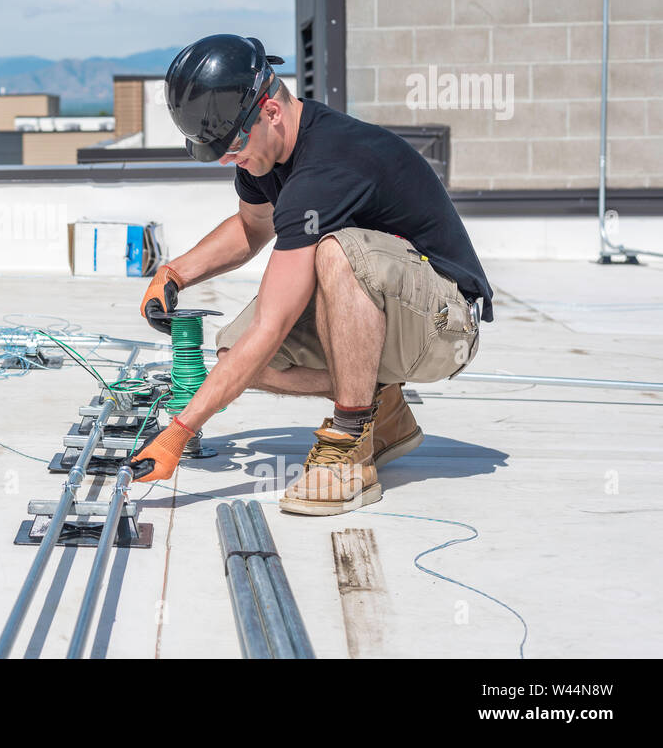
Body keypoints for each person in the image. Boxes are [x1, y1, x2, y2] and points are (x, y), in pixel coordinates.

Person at [129, 34, 493, 515]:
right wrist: (175, 274)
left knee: (335, 254)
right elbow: (251, 226)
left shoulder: (329, 165)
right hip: (397, 313)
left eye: (232, 143)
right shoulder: (264, 156)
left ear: (271, 112)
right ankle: (383, 412)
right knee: (232, 355)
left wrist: (179, 432)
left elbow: (271, 325)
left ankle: (349, 442)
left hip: (445, 325)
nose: (225, 157)